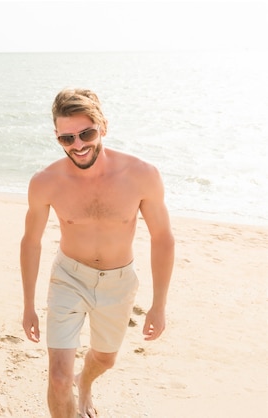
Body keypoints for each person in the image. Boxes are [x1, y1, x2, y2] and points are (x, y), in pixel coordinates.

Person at [20, 88, 174, 417]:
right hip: (68, 277)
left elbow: (162, 237)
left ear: (103, 125)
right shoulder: (45, 181)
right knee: (59, 379)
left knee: (105, 359)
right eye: (66, 139)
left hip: (118, 283)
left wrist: (158, 305)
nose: (77, 145)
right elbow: (30, 241)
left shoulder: (142, 175)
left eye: (86, 134)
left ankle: (86, 383)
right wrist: (28, 305)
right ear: (57, 136)